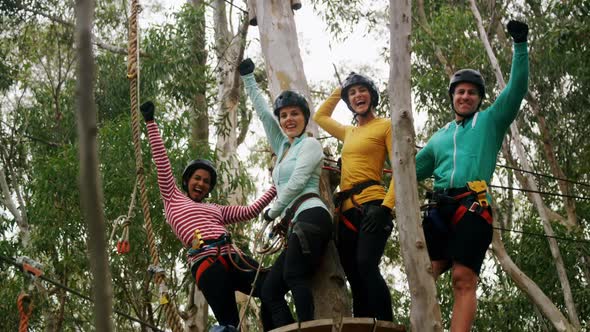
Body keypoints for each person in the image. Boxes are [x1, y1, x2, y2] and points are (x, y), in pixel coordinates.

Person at [415, 20, 529, 331]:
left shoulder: (490, 121)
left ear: (479, 98)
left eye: (471, 93)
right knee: (421, 273)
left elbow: (516, 89)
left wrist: (520, 45)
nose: (465, 97)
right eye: (460, 92)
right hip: (439, 210)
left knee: (463, 278)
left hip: (473, 206)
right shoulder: (439, 137)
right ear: (452, 97)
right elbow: (407, 169)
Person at [139, 101, 276, 331]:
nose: (201, 184)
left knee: (272, 286)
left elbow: (250, 211)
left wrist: (277, 188)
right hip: (207, 262)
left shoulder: (216, 209)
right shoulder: (173, 198)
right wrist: (151, 122)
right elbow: (162, 163)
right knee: (230, 324)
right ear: (187, 181)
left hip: (233, 256)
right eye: (197, 178)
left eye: (206, 181)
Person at [238, 58, 333, 328]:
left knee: (294, 275)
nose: (288, 119)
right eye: (284, 115)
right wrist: (248, 79)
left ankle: (307, 328)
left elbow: (298, 181)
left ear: (305, 117)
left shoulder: (311, 146)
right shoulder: (282, 147)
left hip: (312, 215)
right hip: (295, 222)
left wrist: (273, 211)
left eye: (295, 113)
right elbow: (262, 113)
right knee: (269, 290)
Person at [313, 72, 395, 320]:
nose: (358, 95)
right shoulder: (348, 132)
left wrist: (386, 207)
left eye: (362, 90)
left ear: (372, 95)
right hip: (346, 210)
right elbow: (320, 116)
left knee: (366, 265)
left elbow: (401, 169)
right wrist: (341, 87)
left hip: (373, 204)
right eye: (353, 93)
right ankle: (362, 324)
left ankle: (385, 324)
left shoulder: (386, 126)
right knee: (353, 274)